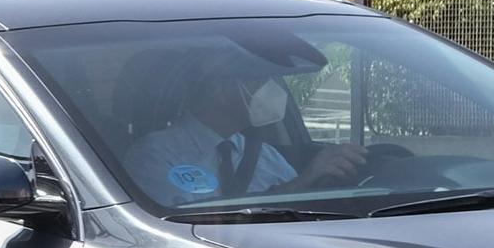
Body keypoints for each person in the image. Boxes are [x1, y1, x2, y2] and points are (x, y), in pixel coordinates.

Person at [124, 53, 367, 207]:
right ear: (221, 89)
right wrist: (306, 178)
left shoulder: (265, 155)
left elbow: (296, 206)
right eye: (259, 80)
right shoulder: (155, 154)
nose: (271, 90)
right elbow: (199, 224)